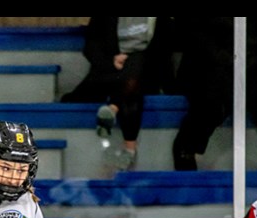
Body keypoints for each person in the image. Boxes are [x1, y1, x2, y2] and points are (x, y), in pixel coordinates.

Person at [172, 18, 257, 171]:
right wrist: (226, 56)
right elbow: (190, 30)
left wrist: (254, 53)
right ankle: (186, 152)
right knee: (211, 95)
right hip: (209, 59)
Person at [60, 17, 173, 170]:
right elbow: (90, 46)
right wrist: (111, 62)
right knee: (130, 89)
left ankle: (113, 108)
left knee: (135, 68)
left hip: (143, 72)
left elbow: (161, 51)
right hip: (110, 71)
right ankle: (129, 148)